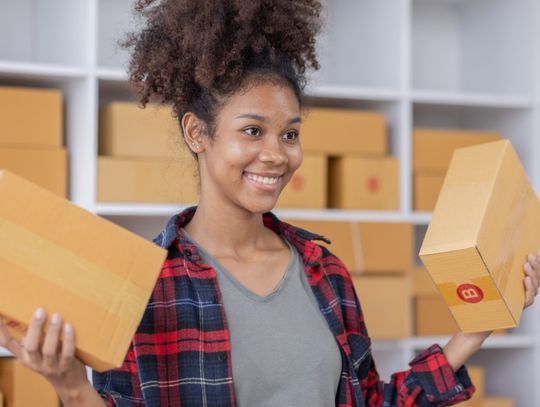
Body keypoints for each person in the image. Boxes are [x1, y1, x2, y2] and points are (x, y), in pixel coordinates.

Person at [1, 1, 540, 406]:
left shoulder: (324, 271)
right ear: (197, 133)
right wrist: (70, 384)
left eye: (289, 134)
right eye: (253, 130)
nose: (276, 155)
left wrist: (472, 331)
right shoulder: (143, 285)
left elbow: (369, 400)